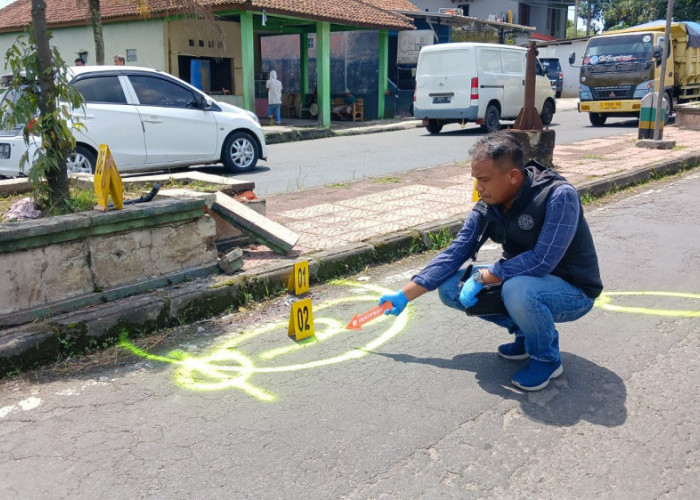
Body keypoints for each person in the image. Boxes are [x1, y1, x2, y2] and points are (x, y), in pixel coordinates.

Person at [378, 133, 603, 392]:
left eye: (484, 180)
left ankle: (546, 358)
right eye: (476, 180)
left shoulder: (558, 195)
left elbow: (542, 261)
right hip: (523, 281)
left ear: (513, 176)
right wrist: (404, 295)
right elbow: (456, 252)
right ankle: (526, 335)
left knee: (517, 289)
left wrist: (485, 276)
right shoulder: (489, 204)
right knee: (451, 287)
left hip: (573, 290)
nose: (478, 188)